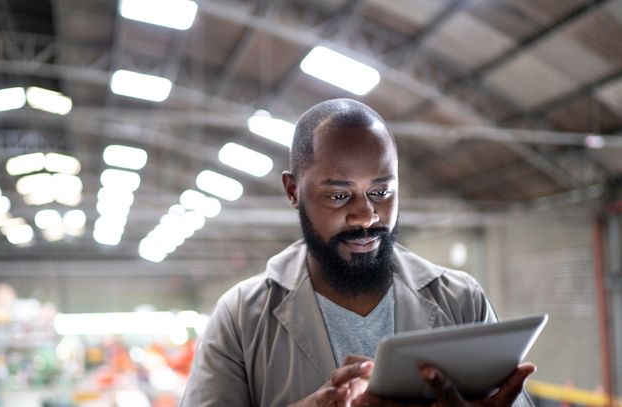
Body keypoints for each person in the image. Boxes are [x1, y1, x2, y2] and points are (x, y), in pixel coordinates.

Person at [180, 99, 536, 407]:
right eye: (338, 196)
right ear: (293, 191)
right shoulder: (242, 317)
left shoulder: (461, 301)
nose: (366, 215)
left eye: (381, 192)